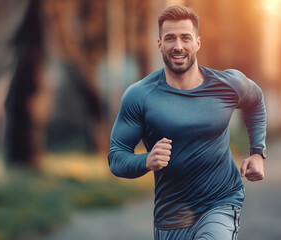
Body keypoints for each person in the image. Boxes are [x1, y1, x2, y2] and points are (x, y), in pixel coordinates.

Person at [108, 5, 266, 240]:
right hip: (171, 217)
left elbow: (255, 101)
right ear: (160, 44)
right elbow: (116, 157)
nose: (178, 46)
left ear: (197, 43)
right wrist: (146, 161)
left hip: (220, 202)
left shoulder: (228, 84)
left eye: (185, 38)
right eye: (170, 38)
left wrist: (257, 152)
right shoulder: (140, 96)